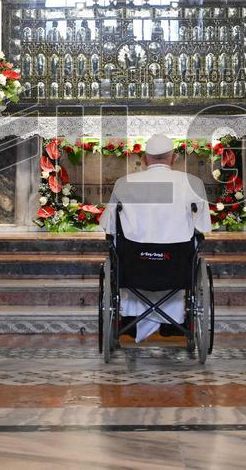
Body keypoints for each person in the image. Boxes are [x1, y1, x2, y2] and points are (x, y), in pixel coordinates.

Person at [99, 133, 211, 341]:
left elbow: (109, 227)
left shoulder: (125, 183)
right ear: (174, 158)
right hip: (176, 267)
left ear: (143, 158)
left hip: (134, 267)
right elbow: (203, 226)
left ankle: (131, 318)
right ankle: (174, 319)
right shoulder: (193, 183)